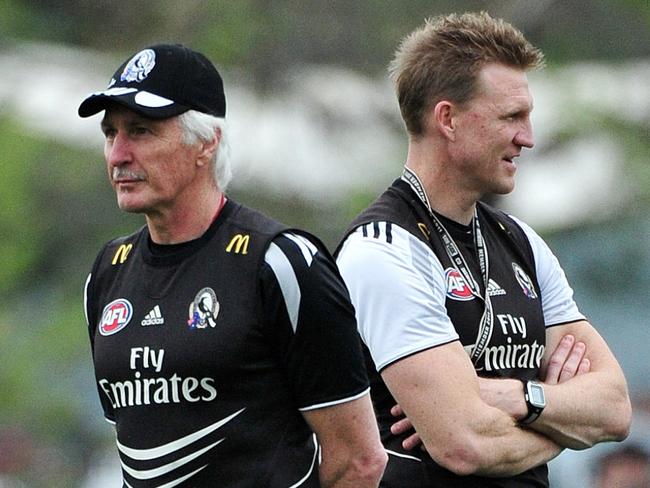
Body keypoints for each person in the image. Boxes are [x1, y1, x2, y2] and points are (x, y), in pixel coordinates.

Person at [335, 12, 631, 487]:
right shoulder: (384, 251)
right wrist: (561, 425)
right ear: (448, 119)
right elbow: (465, 445)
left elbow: (615, 408)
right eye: (511, 117)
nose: (528, 138)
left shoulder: (522, 242)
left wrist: (519, 399)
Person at [79, 44, 386, 488]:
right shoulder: (108, 272)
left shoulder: (281, 263)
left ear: (206, 142)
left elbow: (359, 460)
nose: (117, 154)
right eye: (111, 133)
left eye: (141, 131)